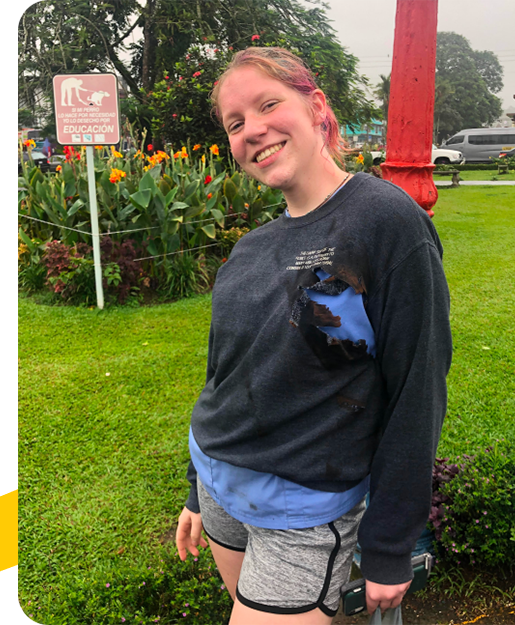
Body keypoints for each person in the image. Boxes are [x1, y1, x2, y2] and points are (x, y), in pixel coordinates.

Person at [173, 46, 452, 624]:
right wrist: (198, 488)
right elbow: (223, 375)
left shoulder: (386, 221)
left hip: (302, 513)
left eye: (267, 105)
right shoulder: (251, 249)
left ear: (317, 107)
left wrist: (389, 543)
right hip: (221, 491)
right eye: (235, 123)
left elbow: (417, 388)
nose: (253, 130)